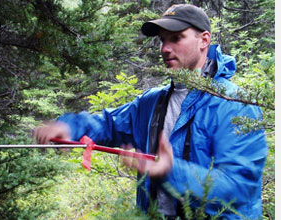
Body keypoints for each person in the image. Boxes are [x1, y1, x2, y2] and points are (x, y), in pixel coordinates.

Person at [33, 4, 267, 219]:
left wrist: (171, 171)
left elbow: (239, 187)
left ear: (204, 40)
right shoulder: (151, 102)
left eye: (176, 38)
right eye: (163, 40)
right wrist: (69, 127)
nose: (165, 48)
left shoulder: (234, 103)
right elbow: (108, 124)